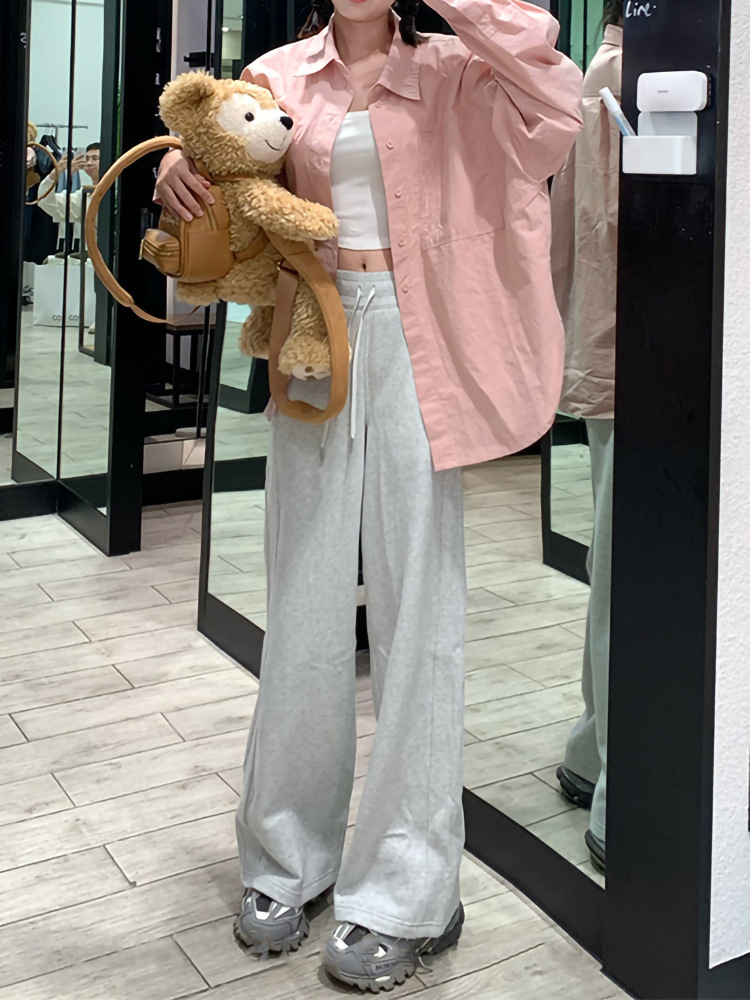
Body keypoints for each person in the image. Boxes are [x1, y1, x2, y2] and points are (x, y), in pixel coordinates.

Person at [157, 0, 582, 990]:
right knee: (304, 604)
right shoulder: (278, 71)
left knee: (418, 611)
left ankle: (410, 890)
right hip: (315, 329)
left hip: (425, 335)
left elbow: (555, 102)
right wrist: (181, 161)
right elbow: (228, 149)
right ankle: (286, 857)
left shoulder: (456, 71)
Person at [550, 0, 623, 876]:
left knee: (621, 558)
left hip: (631, 355)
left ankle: (594, 750)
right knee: (635, 567)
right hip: (646, 360)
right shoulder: (623, 74)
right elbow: (610, 235)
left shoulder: (613, 70)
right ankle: (620, 782)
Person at [37, 142, 101, 225]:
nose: (89, 163)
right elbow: (47, 203)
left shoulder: (115, 191)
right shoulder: (83, 197)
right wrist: (54, 174)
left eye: (95, 159)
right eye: (87, 159)